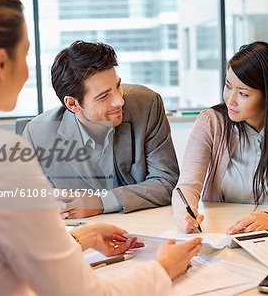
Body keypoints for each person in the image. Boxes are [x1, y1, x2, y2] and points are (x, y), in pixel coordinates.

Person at [0, 0, 201, 295]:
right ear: (1, 63)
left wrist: (85, 236)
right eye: (26, 53)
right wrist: (162, 270)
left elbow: (5, 249)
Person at [22, 40, 179, 218]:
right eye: (104, 96)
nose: (119, 101)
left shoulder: (146, 105)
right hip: (79, 234)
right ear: (72, 103)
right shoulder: (38, 133)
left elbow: (168, 182)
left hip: (142, 224)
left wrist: (100, 202)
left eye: (118, 86)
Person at [172, 41, 268, 234]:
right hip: (221, 228)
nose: (230, 99)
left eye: (243, 93)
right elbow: (188, 185)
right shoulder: (211, 122)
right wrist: (184, 213)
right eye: (228, 86)